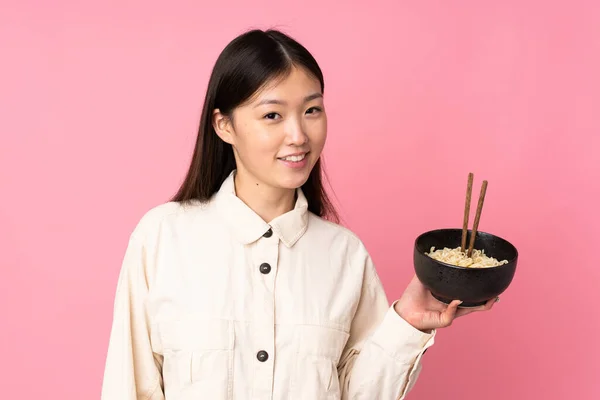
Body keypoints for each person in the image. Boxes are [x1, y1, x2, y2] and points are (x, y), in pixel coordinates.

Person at [100, 28, 496, 400]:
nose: (299, 135)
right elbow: (128, 385)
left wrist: (408, 321)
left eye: (311, 110)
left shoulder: (344, 254)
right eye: (272, 115)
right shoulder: (163, 238)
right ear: (224, 125)